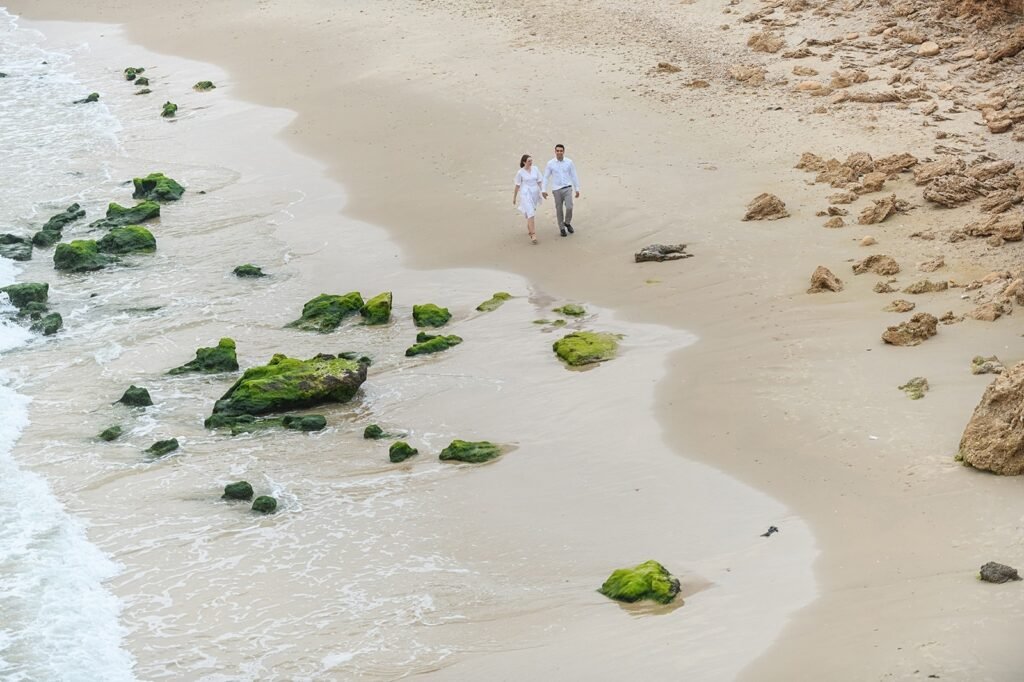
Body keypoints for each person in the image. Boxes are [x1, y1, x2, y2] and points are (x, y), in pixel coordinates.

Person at [541, 144, 581, 237]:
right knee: (559, 210)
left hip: (567, 187)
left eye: (561, 151)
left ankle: (567, 222)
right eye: (557, 151)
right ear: (555, 152)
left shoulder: (569, 162)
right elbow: (546, 177)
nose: (559, 152)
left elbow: (574, 175)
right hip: (556, 190)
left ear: (563, 151)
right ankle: (562, 228)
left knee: (569, 207)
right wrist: (543, 189)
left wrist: (577, 188)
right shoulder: (550, 163)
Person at [513, 153, 543, 244]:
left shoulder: (535, 169)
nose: (531, 162)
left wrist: (543, 191)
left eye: (531, 161)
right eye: (529, 161)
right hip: (526, 194)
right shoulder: (520, 172)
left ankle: (529, 227)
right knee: (531, 213)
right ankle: (533, 235)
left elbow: (539, 181)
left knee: (531, 212)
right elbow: (517, 185)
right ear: (524, 162)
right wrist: (514, 197)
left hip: (535, 193)